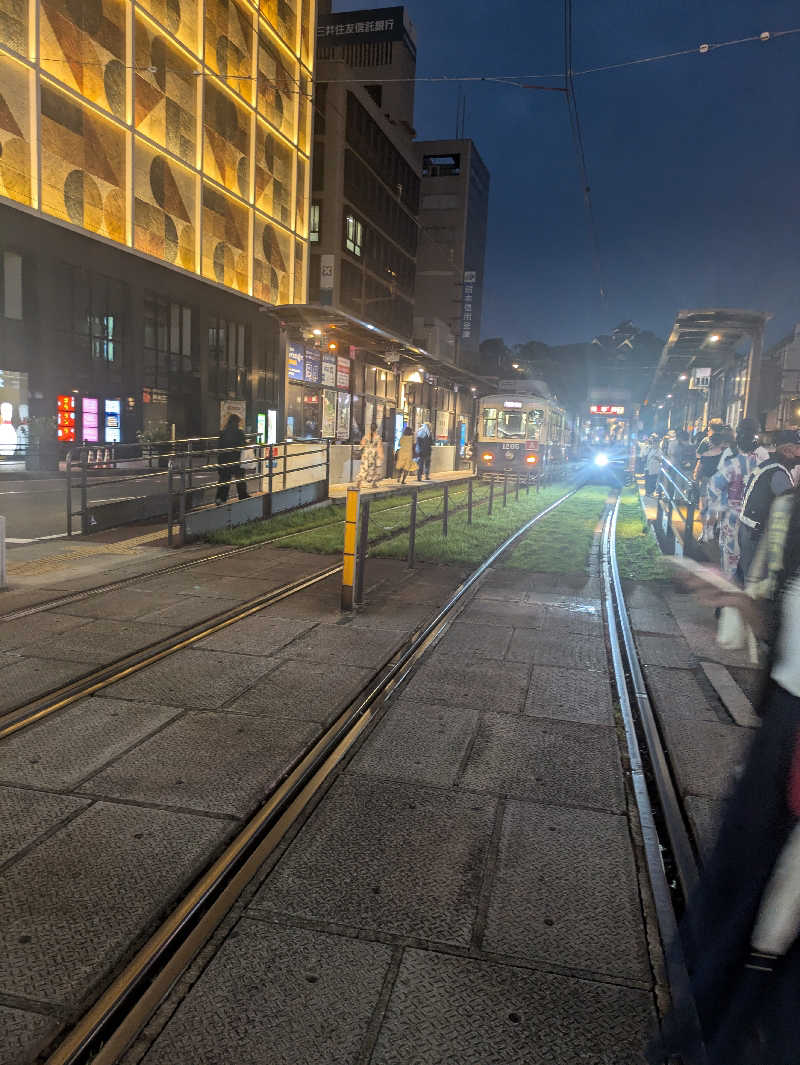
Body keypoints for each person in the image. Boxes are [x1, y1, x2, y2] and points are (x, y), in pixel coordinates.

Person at [655, 482, 800, 1064]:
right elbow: (785, 639)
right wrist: (736, 600)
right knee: (746, 909)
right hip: (781, 741)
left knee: (767, 927)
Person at [738, 428, 800, 579]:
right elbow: (792, 505)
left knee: (747, 574)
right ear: (788, 450)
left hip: (749, 530)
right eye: (799, 449)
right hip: (756, 535)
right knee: (755, 580)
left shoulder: (771, 465)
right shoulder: (778, 472)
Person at [705, 427, 757, 581]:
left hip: (733, 512)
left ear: (738, 445)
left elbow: (714, 486)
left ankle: (729, 581)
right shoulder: (760, 462)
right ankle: (746, 581)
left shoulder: (733, 463)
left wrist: (719, 508)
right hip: (753, 515)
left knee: (730, 548)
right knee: (749, 550)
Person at [215, 413, 249, 505]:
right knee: (240, 477)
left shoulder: (223, 432)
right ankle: (242, 495)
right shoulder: (239, 432)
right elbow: (243, 444)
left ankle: (220, 498)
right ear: (237, 422)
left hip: (224, 458)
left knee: (224, 479)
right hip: (236, 458)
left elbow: (219, 446)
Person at [356, 424, 384, 489]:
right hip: (373, 455)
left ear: (370, 428)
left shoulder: (366, 436)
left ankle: (359, 483)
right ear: (376, 429)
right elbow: (379, 447)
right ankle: (373, 484)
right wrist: (381, 455)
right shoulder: (378, 437)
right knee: (373, 469)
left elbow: (362, 444)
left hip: (365, 454)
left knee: (363, 469)